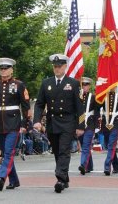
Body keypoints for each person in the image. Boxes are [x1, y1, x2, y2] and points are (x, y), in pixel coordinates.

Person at [33, 54, 85, 193]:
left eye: (59, 66)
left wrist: (81, 126)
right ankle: (65, 177)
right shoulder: (47, 83)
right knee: (56, 150)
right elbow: (39, 104)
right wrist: (37, 120)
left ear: (65, 67)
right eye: (55, 66)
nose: (57, 69)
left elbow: (80, 107)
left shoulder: (73, 83)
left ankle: (60, 179)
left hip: (68, 122)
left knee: (63, 150)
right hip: (52, 122)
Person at [0, 57, 30, 191]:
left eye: (6, 68)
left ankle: (1, 177)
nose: (3, 71)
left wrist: (25, 124)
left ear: (11, 70)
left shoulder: (19, 85)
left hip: (14, 123)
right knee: (7, 152)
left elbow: (25, 106)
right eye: (1, 69)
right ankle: (14, 180)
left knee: (8, 152)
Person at [99, 87, 118, 176]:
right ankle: (116, 165)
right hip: (105, 124)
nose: (112, 87)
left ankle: (107, 166)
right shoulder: (103, 96)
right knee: (108, 145)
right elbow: (98, 108)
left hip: (116, 123)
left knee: (111, 145)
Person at [78, 77, 99, 175]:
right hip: (79, 125)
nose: (84, 87)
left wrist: (97, 126)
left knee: (86, 146)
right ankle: (89, 165)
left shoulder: (93, 97)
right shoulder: (78, 97)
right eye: (83, 85)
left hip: (90, 124)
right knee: (83, 145)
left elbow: (97, 113)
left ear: (89, 86)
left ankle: (83, 165)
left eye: (86, 85)